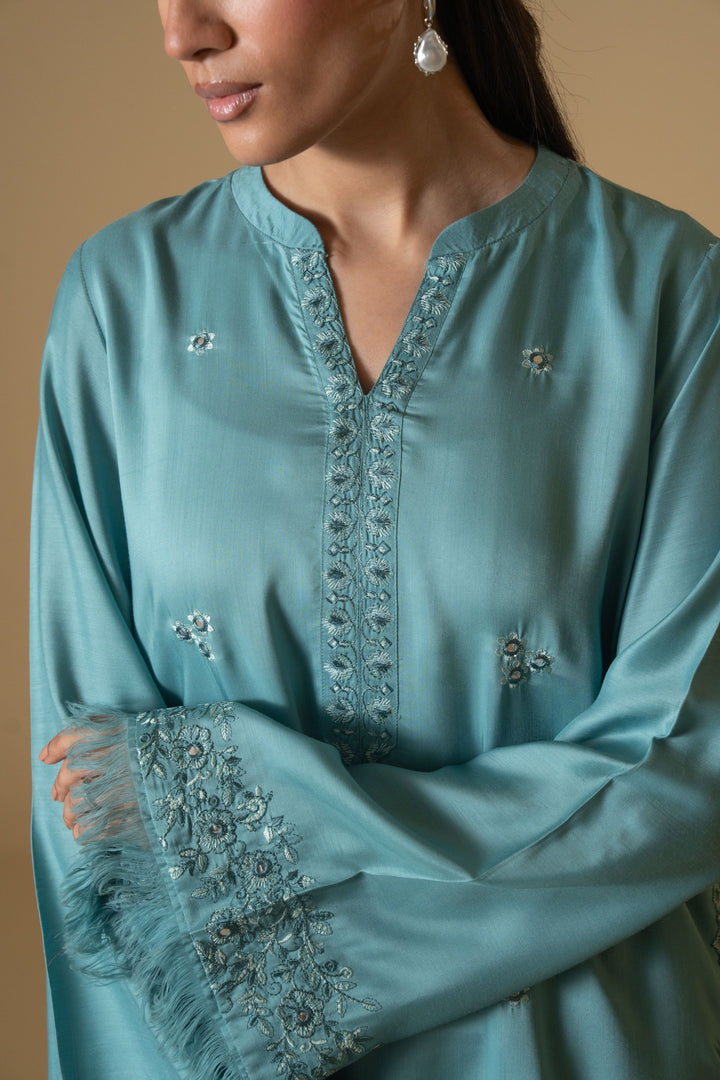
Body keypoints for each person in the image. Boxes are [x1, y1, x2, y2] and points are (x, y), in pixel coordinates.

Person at [31, 0, 720, 1077]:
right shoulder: (123, 299)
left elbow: (688, 760)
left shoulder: (666, 292)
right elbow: (105, 842)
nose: (183, 33)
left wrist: (241, 799)